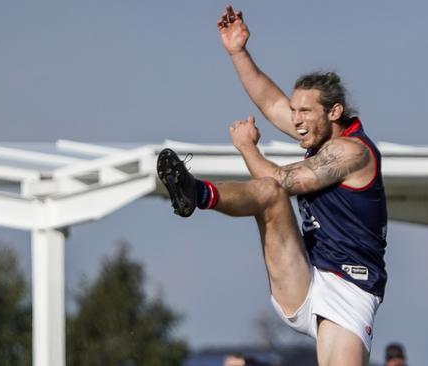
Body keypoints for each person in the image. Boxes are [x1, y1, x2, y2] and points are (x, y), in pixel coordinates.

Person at [156, 5, 388, 366]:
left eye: (304, 112)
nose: (295, 120)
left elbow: (282, 179)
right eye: (294, 111)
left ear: (335, 112)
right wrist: (238, 51)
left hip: (350, 286)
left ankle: (200, 192)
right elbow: (271, 101)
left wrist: (247, 147)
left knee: (272, 188)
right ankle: (197, 193)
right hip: (302, 276)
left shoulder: (351, 152)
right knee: (268, 197)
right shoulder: (316, 130)